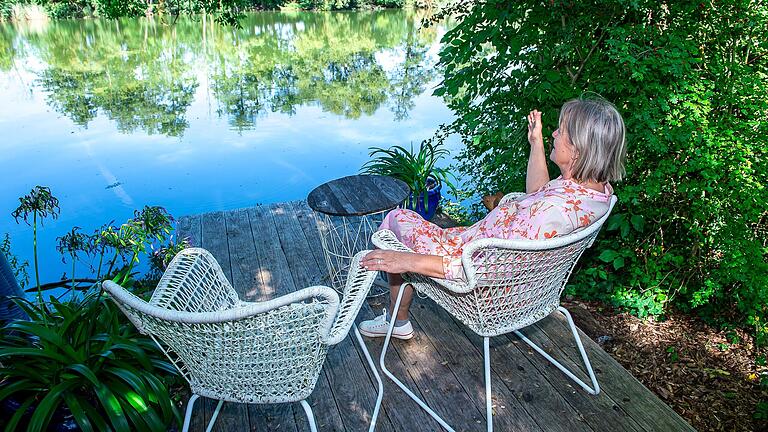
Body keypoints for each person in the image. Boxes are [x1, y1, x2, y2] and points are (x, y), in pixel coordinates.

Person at [358, 97, 627, 340]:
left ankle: (397, 319)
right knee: (404, 228)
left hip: (484, 286)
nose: (555, 133)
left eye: (561, 131)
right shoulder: (592, 191)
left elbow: (478, 270)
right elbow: (537, 194)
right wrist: (537, 143)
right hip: (500, 263)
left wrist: (405, 259)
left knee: (396, 221)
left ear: (578, 150)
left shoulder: (554, 211)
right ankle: (398, 308)